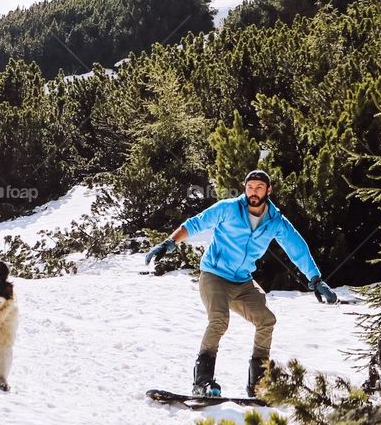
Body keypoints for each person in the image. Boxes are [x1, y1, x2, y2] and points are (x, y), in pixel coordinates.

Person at [145, 169, 338, 397]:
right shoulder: (228, 209)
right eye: (249, 187)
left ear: (268, 190)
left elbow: (296, 247)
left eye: (258, 188)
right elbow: (196, 224)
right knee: (219, 321)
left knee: (266, 320)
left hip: (243, 281)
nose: (253, 193)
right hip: (214, 276)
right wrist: (170, 242)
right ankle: (202, 382)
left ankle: (258, 384)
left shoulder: (275, 221)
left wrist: (315, 279)